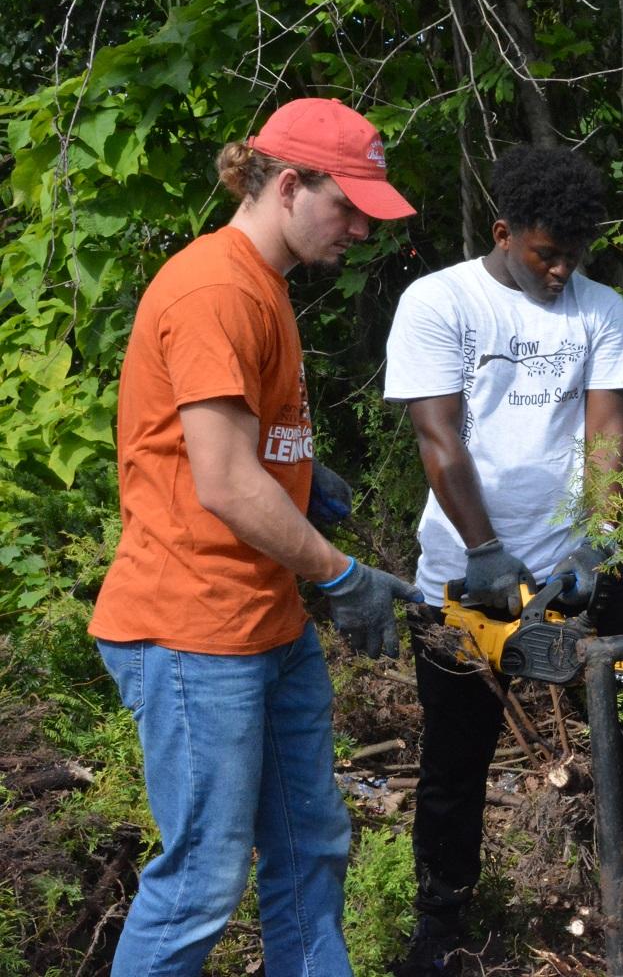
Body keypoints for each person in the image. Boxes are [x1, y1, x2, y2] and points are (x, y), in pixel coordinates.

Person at [88, 97, 424, 977]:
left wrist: (305, 481)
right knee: (203, 878)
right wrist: (343, 575)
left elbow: (249, 453)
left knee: (311, 845)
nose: (359, 228)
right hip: (193, 630)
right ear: (286, 185)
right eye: (346, 206)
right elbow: (226, 483)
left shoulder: (260, 284)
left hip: (264, 626)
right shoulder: (215, 289)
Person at [384, 144, 623, 975]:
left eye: (573, 256)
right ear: (503, 233)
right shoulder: (440, 302)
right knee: (457, 761)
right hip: (465, 576)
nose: (560, 271)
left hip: (577, 565)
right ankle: (442, 925)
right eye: (544, 255)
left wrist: (601, 538)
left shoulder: (598, 309)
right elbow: (437, 434)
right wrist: (485, 552)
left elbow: (606, 430)